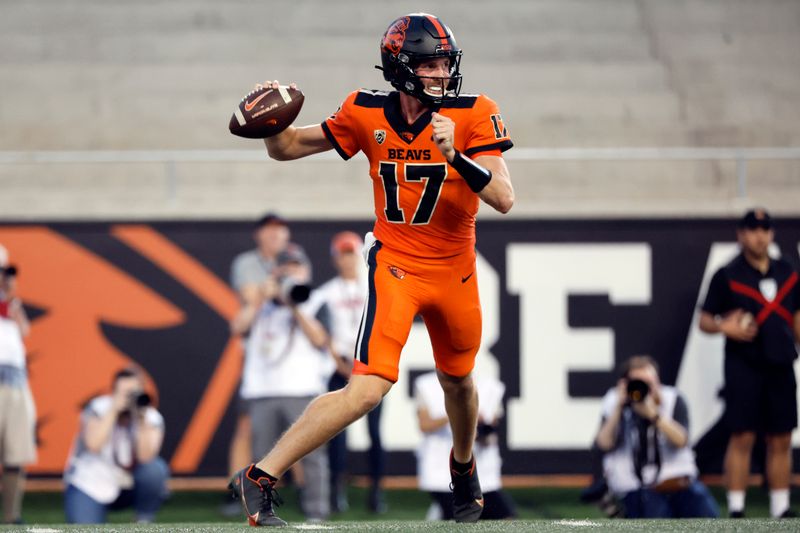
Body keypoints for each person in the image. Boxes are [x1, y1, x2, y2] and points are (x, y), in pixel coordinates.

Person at [229, 12, 514, 526]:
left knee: (460, 383)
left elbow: (503, 197)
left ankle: (463, 467)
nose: (441, 73)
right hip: (397, 265)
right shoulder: (365, 111)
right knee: (368, 386)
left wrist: (456, 155)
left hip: (456, 271)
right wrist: (271, 128)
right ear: (401, 68)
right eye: (430, 64)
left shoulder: (474, 113)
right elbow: (289, 147)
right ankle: (258, 477)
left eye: (445, 62)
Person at [699, 208, 800, 519]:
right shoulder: (728, 274)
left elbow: (796, 318)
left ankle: (780, 507)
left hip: (781, 362)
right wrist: (723, 327)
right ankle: (737, 508)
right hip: (744, 364)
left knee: (781, 436)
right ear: (741, 234)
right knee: (742, 434)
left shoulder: (789, 272)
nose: (760, 236)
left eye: (765, 230)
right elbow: (705, 319)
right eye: (753, 230)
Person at [232, 245, 333, 522]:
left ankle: (317, 512)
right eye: (284, 268)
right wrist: (259, 300)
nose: (290, 273)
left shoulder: (316, 300)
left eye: (295, 267)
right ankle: (261, 512)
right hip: (263, 391)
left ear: (306, 271)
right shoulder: (261, 303)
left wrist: (295, 306)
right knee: (262, 457)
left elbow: (320, 340)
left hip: (302, 390)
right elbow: (238, 328)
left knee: (311, 454)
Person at [311, 231, 386, 514]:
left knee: (376, 434)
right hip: (339, 367)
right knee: (337, 434)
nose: (347, 259)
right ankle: (336, 491)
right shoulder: (326, 293)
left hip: (371, 366)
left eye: (351, 253)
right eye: (342, 254)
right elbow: (321, 333)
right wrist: (339, 362)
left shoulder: (373, 285)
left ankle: (377, 491)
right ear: (334, 258)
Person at [595, 356, 719, 519]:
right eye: (638, 383)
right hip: (636, 485)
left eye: (649, 382)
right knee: (654, 516)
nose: (645, 388)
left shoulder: (672, 399)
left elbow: (681, 441)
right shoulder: (615, 401)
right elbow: (604, 443)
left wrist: (655, 416)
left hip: (677, 480)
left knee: (706, 514)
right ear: (625, 384)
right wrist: (619, 407)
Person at [226, 213, 293, 491]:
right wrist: (271, 286)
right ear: (259, 235)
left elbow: (297, 296)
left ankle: (291, 489)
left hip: (290, 353)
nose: (276, 237)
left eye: (281, 232)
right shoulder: (247, 263)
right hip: (258, 354)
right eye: (270, 231)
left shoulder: (295, 257)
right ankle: (238, 489)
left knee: (296, 427)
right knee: (247, 426)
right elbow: (251, 299)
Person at [63, 367, 169, 524]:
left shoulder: (150, 417)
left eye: (133, 393)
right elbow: (94, 445)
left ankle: (144, 519)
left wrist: (141, 420)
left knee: (155, 470)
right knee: (85, 527)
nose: (129, 399)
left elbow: (146, 457)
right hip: (91, 483)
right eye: (125, 393)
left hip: (129, 484)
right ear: (113, 393)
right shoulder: (98, 408)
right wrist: (113, 410)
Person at [414, 370, 517, 521]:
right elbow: (424, 425)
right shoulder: (427, 385)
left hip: (480, 472)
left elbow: (490, 435)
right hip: (441, 470)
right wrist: (460, 414)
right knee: (463, 520)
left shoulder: (490, 387)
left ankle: (442, 512)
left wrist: (480, 427)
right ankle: (443, 511)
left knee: (506, 518)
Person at [0, 246, 35, 525]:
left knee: (16, 450)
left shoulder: (10, 304)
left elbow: (24, 331)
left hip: (16, 380)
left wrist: (11, 301)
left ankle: (11, 516)